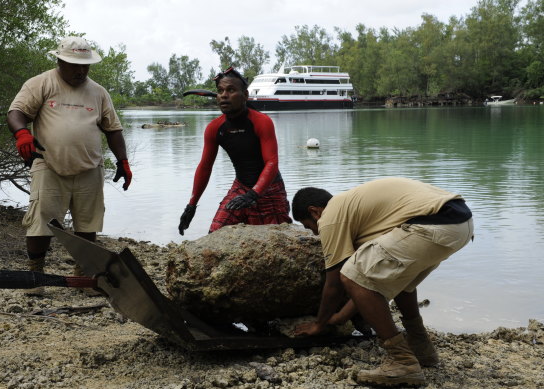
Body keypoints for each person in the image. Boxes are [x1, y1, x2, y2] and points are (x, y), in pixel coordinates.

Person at [291, 177, 474, 387]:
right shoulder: (361, 211)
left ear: (315, 212)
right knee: (397, 278)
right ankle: (421, 348)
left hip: (434, 224)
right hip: (461, 223)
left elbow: (337, 282)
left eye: (309, 226)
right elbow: (373, 284)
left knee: (351, 273)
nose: (315, 233)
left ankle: (401, 361)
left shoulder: (331, 216)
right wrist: (341, 317)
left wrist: (318, 324)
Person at [7, 36, 132, 295]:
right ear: (60, 60)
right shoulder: (40, 83)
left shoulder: (98, 92)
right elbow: (16, 112)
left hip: (89, 168)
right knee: (40, 222)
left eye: (85, 65)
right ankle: (35, 276)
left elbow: (113, 129)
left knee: (87, 225)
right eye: (75, 64)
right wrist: (22, 134)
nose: (81, 70)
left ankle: (84, 277)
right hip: (48, 165)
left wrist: (123, 161)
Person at [178, 66, 292, 235]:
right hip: (240, 187)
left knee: (273, 239)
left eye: (231, 90)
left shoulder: (262, 122)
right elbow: (205, 167)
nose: (224, 95)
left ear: (245, 95)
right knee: (215, 234)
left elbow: (271, 162)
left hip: (269, 189)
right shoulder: (214, 128)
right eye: (220, 91)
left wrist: (254, 194)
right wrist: (191, 205)